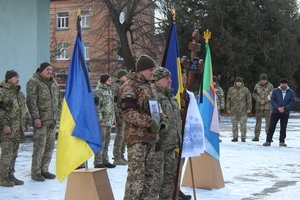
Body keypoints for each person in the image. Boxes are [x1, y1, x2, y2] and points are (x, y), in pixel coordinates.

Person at [119, 54, 166, 200]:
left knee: (149, 178)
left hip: (151, 139)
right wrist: (151, 122)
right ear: (141, 70)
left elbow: (156, 107)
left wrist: (163, 119)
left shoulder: (150, 86)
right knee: (136, 178)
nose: (153, 73)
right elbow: (129, 112)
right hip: (137, 139)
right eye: (150, 70)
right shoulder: (129, 86)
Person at [146, 67, 181, 200]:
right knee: (155, 182)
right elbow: (154, 121)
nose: (170, 81)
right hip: (158, 147)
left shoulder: (170, 96)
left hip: (171, 145)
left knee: (169, 180)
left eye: (170, 78)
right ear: (157, 80)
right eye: (167, 78)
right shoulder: (153, 97)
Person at [26, 62, 60, 181]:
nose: (49, 72)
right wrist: (35, 118)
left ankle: (44, 170)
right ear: (41, 70)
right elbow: (31, 101)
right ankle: (35, 172)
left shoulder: (53, 82)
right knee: (40, 146)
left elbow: (57, 100)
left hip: (52, 120)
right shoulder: (34, 82)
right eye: (47, 69)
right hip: (41, 120)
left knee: (50, 146)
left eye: (51, 70)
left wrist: (58, 116)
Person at [0, 70, 30, 187]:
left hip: (18, 129)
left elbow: (24, 109)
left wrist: (27, 122)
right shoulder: (2, 92)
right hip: (7, 129)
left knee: (14, 153)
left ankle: (10, 175)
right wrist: (4, 125)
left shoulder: (19, 93)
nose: (17, 79)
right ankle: (2, 177)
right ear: (8, 79)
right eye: (15, 77)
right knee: (6, 154)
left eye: (18, 77)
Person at [263, 78, 295, 147]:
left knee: (283, 127)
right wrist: (278, 108)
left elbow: (292, 101)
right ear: (280, 84)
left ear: (287, 84)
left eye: (285, 84)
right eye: (282, 84)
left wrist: (285, 108)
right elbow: (272, 100)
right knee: (271, 127)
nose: (283, 85)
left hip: (285, 112)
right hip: (275, 112)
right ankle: (268, 141)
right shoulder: (275, 91)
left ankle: (282, 141)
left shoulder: (291, 92)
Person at [94, 73, 116, 168]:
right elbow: (97, 106)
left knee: (107, 142)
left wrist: (113, 118)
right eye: (109, 80)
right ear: (104, 81)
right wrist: (100, 119)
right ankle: (98, 162)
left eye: (111, 79)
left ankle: (105, 160)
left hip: (109, 120)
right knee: (101, 141)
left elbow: (111, 106)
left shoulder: (109, 90)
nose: (111, 81)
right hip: (102, 121)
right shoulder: (99, 91)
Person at [226, 77, 252, 142]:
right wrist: (228, 108)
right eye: (237, 82)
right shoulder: (231, 90)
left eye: (239, 82)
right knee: (234, 125)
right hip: (233, 110)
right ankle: (235, 137)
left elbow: (249, 99)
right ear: (235, 82)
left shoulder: (245, 90)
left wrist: (249, 108)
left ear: (241, 83)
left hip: (243, 111)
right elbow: (228, 100)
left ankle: (243, 137)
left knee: (243, 125)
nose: (238, 83)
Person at [111, 69, 128, 165]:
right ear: (121, 76)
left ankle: (121, 155)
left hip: (125, 114)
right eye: (125, 75)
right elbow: (114, 102)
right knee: (119, 136)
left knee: (124, 137)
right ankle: (117, 157)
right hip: (120, 115)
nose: (126, 77)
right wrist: (117, 115)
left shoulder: (124, 85)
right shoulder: (116, 86)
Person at [252, 74, 273, 141]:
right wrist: (259, 100)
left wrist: (266, 100)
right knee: (258, 122)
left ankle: (269, 137)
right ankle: (256, 136)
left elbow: (272, 94)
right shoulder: (257, 85)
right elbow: (254, 94)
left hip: (267, 107)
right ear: (260, 80)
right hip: (259, 106)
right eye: (262, 80)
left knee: (268, 122)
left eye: (264, 80)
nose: (263, 81)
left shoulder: (270, 86)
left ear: (266, 80)